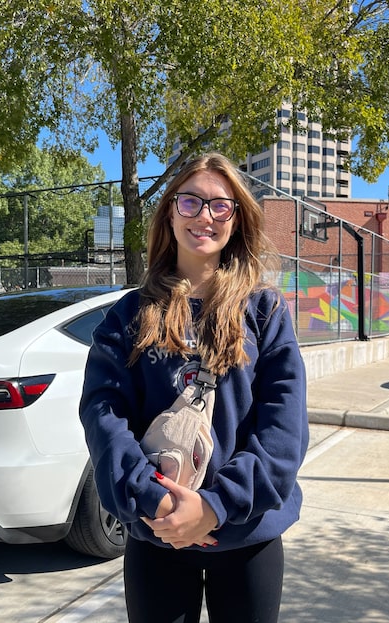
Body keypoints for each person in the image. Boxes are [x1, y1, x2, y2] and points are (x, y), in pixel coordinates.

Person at [79, 152, 309, 623]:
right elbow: (104, 416)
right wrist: (153, 498)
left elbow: (283, 425)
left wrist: (215, 507)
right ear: (169, 212)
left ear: (236, 219)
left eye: (220, 205)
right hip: (155, 531)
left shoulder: (264, 311)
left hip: (248, 535)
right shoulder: (128, 316)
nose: (204, 216)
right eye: (190, 202)